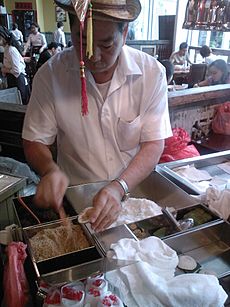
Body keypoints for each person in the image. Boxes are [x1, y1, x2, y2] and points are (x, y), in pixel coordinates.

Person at [22, 0, 172, 232]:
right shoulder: (51, 75)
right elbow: (35, 139)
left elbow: (153, 143)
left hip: (131, 196)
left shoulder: (151, 74)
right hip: (76, 201)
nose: (93, 55)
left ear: (125, 34)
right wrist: (49, 169)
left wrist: (118, 186)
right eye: (82, 43)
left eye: (106, 44)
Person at [0, 26, 30, 104]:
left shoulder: (11, 50)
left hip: (18, 80)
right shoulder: (6, 49)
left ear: (3, 37)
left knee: (21, 103)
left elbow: (17, 70)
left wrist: (5, 70)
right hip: (12, 79)